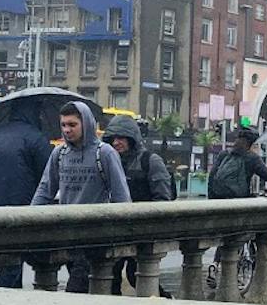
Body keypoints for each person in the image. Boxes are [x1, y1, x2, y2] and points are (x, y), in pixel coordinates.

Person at [32, 102, 131, 293]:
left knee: (77, 289)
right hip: (68, 235)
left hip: (95, 236)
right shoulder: (59, 154)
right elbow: (45, 191)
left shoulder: (105, 153)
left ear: (85, 124)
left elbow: (121, 197)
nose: (67, 130)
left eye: (72, 125)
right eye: (64, 125)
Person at [0, 96, 54, 287]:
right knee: (13, 264)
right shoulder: (36, 139)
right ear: (34, 113)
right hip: (23, 213)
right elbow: (50, 179)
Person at [105, 115, 174, 295]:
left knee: (137, 275)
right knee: (109, 276)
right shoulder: (108, 161)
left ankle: (165, 303)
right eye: (112, 138)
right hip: (116, 231)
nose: (116, 142)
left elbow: (162, 197)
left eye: (121, 138)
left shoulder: (150, 161)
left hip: (142, 231)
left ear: (132, 138)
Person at [208, 127, 267, 199]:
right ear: (251, 143)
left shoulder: (224, 154)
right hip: (238, 202)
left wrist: (211, 198)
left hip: (218, 200)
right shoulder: (252, 158)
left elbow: (211, 176)